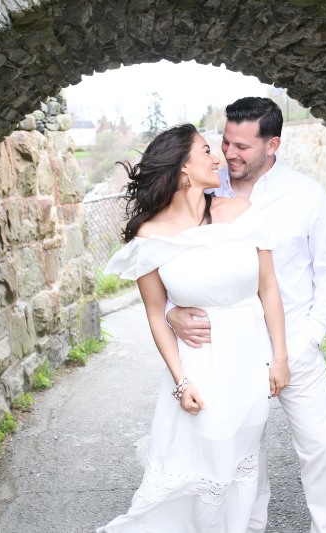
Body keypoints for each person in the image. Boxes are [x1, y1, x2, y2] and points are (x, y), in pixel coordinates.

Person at [166, 97, 326, 532]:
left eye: (242, 147)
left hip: (294, 345)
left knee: (320, 448)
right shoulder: (204, 194)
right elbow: (169, 260)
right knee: (243, 456)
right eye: (225, 142)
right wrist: (173, 311)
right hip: (227, 351)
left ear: (273, 145)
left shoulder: (308, 198)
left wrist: (303, 344)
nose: (230, 154)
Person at [97, 123, 290, 532]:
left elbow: (269, 288)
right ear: (183, 169)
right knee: (206, 466)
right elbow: (154, 312)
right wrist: (181, 381)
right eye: (206, 150)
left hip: (248, 360)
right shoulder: (149, 235)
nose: (218, 157)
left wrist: (279, 358)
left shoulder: (240, 212)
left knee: (241, 463)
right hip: (201, 364)